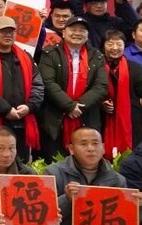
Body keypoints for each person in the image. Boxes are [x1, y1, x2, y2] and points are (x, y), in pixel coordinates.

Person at [37, 16, 107, 158]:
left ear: (87, 35)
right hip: (55, 118)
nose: (77, 33)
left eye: (82, 30)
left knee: (86, 161)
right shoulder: (50, 53)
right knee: (53, 161)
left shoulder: (97, 56)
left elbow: (101, 86)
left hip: (86, 117)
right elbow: (47, 82)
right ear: (63, 33)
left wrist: (78, 106)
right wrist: (69, 106)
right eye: (73, 30)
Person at [0, 16, 44, 161]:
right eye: (3, 31)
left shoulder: (25, 57)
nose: (8, 35)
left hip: (23, 119)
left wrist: (29, 106)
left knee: (21, 162)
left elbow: (38, 85)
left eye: (11, 31)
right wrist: (6, 109)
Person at [100, 30, 142, 156]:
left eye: (119, 44)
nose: (115, 48)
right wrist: (101, 104)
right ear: (103, 46)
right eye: (110, 44)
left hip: (131, 121)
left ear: (125, 46)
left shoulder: (135, 68)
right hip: (102, 120)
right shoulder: (96, 67)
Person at [66, 0, 138, 48]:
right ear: (86, 5)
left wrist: (121, 3)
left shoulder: (115, 22)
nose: (99, 6)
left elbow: (134, 25)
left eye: (102, 3)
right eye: (94, 3)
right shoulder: (82, 21)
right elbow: (74, 0)